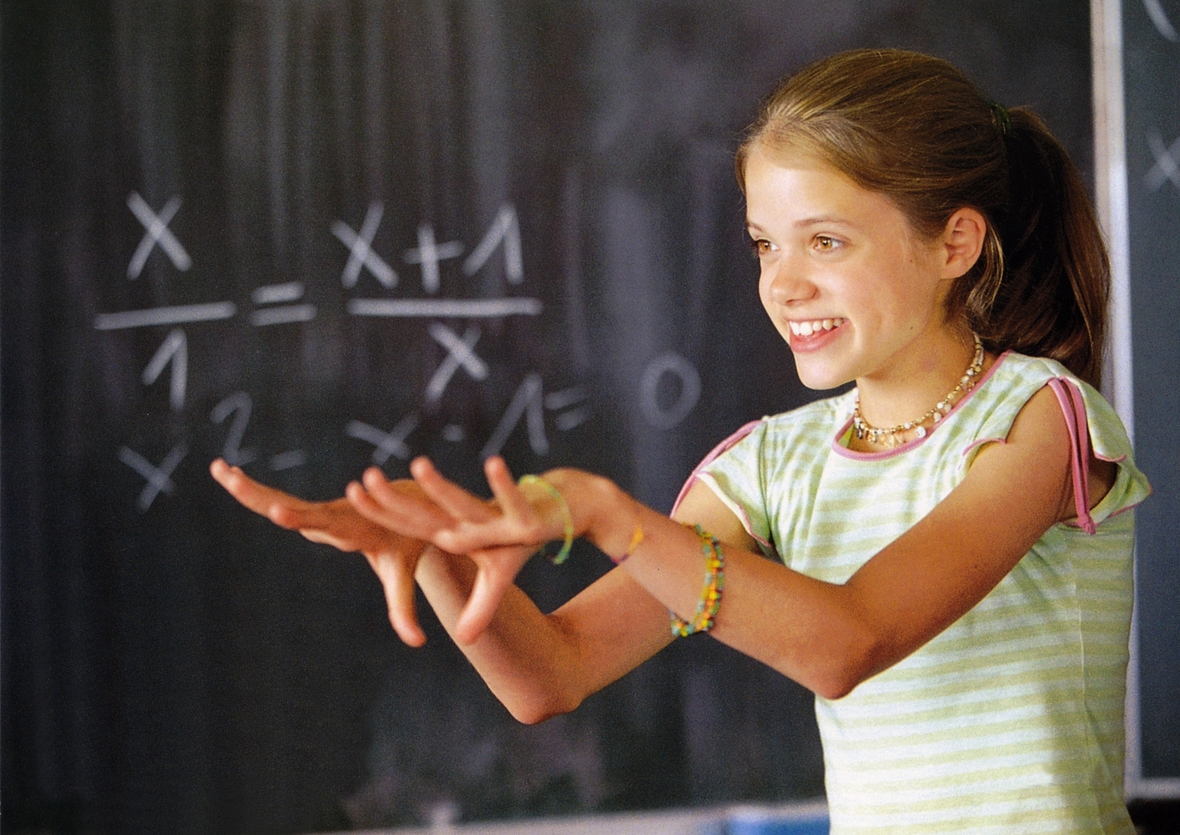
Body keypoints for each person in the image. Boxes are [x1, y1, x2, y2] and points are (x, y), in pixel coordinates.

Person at [212, 49, 1151, 833]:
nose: (783, 285)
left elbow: (851, 641)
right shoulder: (773, 463)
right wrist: (433, 558)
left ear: (956, 243)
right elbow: (552, 672)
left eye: (825, 242)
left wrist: (608, 515)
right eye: (763, 245)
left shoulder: (1040, 417)